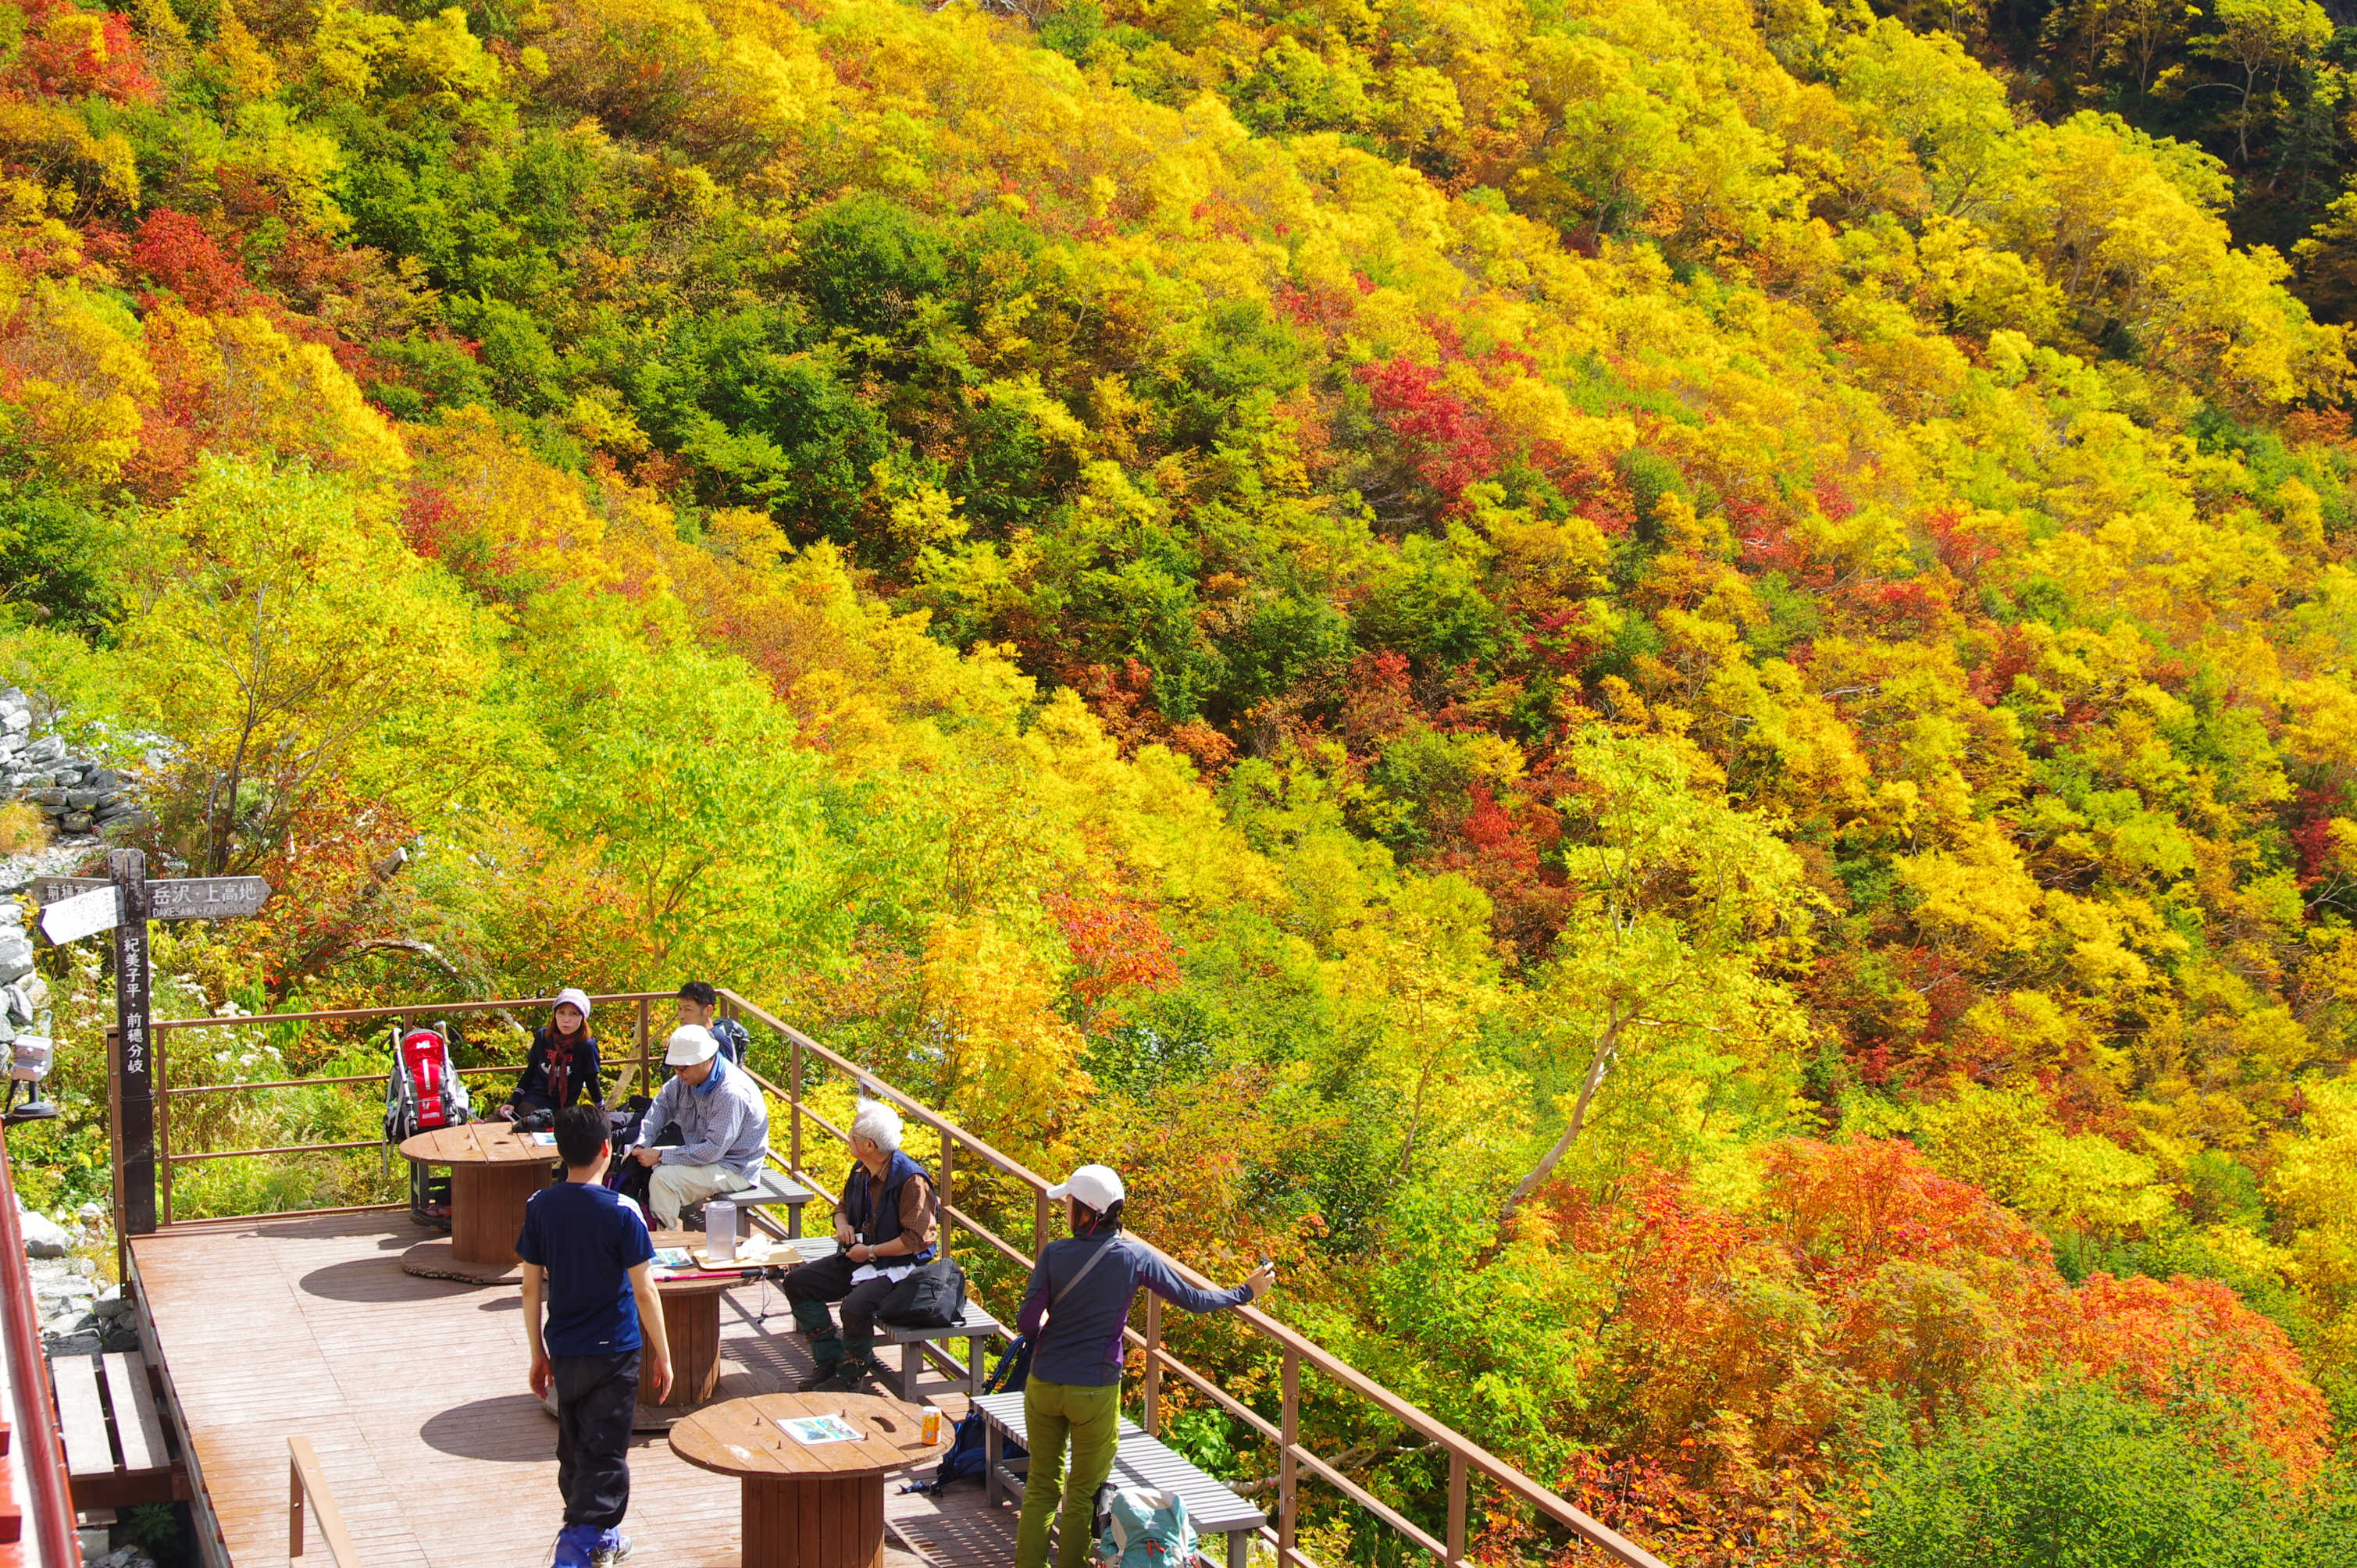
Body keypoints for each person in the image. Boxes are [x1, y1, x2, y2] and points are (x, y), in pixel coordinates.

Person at [1013, 1165, 1275, 1568]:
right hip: (1094, 1390)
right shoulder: (1134, 1257)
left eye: (1069, 1202)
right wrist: (1245, 1291)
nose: (1066, 1208)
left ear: (1086, 1212)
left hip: (1045, 1382)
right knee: (1082, 1494)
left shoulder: (1055, 1254)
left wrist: (1049, 1322)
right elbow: (1194, 1300)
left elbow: (1028, 1324)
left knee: (1041, 1488)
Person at [519, 1104, 674, 1568]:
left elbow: (530, 1287)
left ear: (561, 1153)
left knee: (575, 1443)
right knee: (606, 1448)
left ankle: (596, 1534)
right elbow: (645, 1291)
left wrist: (537, 1353)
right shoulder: (623, 1211)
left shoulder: (539, 1206)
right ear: (607, 1149)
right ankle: (577, 1549)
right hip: (615, 1349)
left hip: (564, 1345)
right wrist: (664, 1356)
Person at [776, 1099, 938, 1392]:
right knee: (798, 1282)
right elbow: (841, 1207)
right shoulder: (861, 1168)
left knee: (855, 1307)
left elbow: (916, 1240)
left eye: (853, 1134)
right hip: (861, 1255)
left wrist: (873, 1252)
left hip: (899, 1266)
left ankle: (851, 1373)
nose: (848, 1137)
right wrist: (843, 1226)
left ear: (869, 1145)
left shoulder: (911, 1180)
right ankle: (828, 1357)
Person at [625, 1024, 770, 1228]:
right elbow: (660, 1107)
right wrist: (642, 1143)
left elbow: (712, 1150)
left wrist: (659, 1155)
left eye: (683, 1069)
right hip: (710, 1155)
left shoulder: (731, 1092)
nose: (679, 1074)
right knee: (644, 1160)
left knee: (663, 1179)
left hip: (735, 1166)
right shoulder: (685, 1078)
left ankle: (667, 1237)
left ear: (706, 1060)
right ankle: (663, 1227)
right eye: (676, 1068)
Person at [498, 987, 602, 1121]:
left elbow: (591, 1080)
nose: (566, 1019)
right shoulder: (543, 1036)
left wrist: (601, 1109)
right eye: (561, 1013)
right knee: (491, 1126)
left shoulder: (586, 1046)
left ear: (583, 1018)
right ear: (555, 1015)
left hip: (561, 1109)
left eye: (574, 1014)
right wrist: (512, 1101)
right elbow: (530, 1072)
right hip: (531, 1101)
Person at [676, 981, 749, 1065]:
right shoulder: (688, 1035)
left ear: (708, 1010)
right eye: (680, 1009)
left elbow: (725, 1075)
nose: (681, 1016)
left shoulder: (717, 1040)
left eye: (688, 1009)